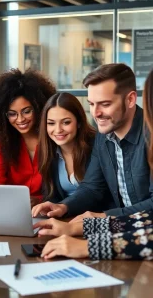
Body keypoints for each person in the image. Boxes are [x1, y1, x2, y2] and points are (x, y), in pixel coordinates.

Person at [33, 68, 153, 261]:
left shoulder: (150, 135)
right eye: (91, 104)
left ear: (131, 100)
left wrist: (100, 221)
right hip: (127, 236)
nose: (96, 113)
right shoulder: (103, 136)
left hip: (133, 240)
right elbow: (93, 187)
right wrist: (63, 207)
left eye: (105, 104)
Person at [0, 69, 56, 206]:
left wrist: (40, 200)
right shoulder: (1, 139)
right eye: (12, 114)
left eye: (26, 111)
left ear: (39, 107)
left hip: (50, 210)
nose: (20, 119)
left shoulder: (54, 135)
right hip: (10, 208)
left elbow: (66, 189)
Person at [37, 92, 96, 205]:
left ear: (78, 122)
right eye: (51, 123)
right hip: (65, 217)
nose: (58, 130)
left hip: (94, 216)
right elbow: (51, 195)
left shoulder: (96, 147)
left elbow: (99, 193)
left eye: (66, 122)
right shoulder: (48, 151)